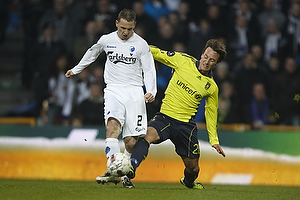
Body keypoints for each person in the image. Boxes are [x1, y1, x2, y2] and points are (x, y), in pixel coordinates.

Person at [65, 9, 157, 188]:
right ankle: (113, 169)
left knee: (130, 141)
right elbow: (92, 53)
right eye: (122, 28)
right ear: (116, 23)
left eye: (129, 29)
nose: (125, 32)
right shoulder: (107, 40)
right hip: (113, 90)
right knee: (112, 127)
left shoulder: (141, 44)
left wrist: (151, 90)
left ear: (134, 26)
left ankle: (124, 174)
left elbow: (149, 69)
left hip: (135, 92)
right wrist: (76, 69)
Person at [127, 39, 226, 189]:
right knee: (146, 136)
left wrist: (214, 140)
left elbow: (211, 113)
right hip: (165, 117)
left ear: (216, 64)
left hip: (186, 126)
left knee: (194, 169)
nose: (206, 61)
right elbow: (158, 53)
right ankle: (131, 168)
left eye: (212, 60)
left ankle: (188, 181)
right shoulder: (182, 61)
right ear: (202, 53)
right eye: (206, 56)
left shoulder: (212, 87)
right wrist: (137, 47)